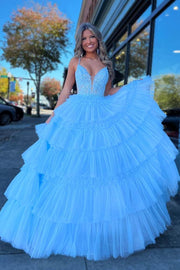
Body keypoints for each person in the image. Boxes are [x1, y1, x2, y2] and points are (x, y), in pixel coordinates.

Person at [0, 22, 179, 261]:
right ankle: (71, 226)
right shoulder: (75, 62)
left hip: (102, 116)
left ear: (98, 39)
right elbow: (65, 91)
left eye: (91, 37)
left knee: (105, 171)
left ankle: (100, 228)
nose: (88, 42)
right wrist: (54, 115)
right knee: (72, 169)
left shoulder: (107, 64)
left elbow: (106, 93)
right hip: (77, 115)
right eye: (84, 38)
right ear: (81, 42)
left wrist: (132, 90)